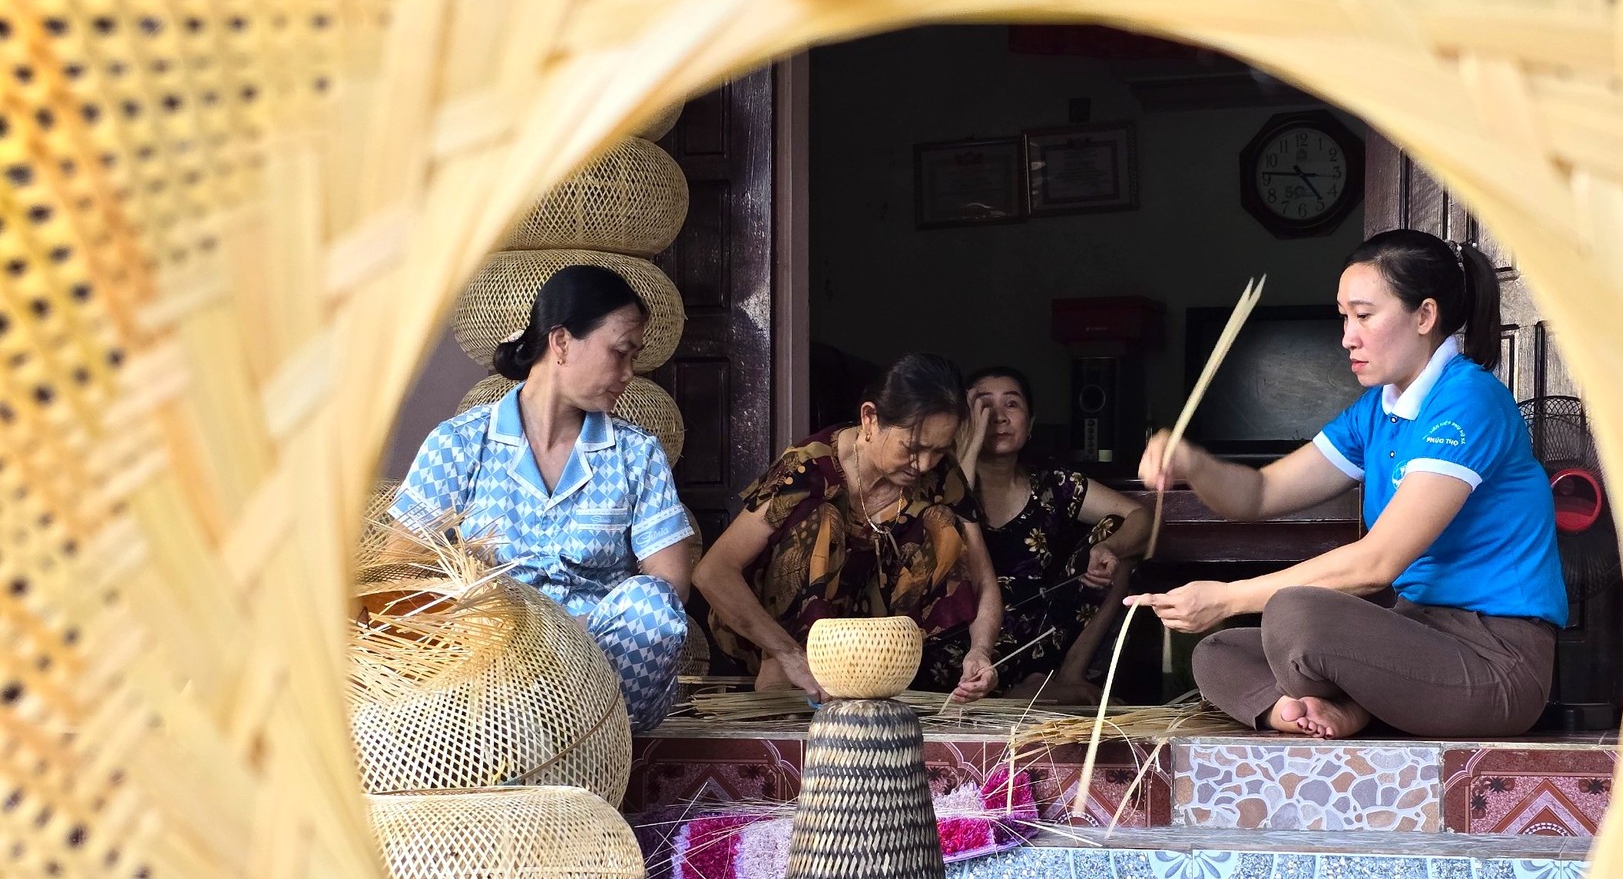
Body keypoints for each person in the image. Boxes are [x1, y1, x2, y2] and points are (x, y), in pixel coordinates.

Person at [1128, 230, 1565, 739]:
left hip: (1496, 662)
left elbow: (1377, 564)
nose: (1347, 337)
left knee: (1295, 614)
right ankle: (1316, 711)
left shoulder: (1468, 402)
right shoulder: (1376, 412)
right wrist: (1193, 465)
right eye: (1344, 316)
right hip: (1414, 633)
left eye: (1364, 315)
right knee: (1219, 652)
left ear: (1424, 316)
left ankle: (1353, 704)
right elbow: (1259, 494)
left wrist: (1227, 598)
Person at [392, 264, 695, 734]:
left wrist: (571, 653)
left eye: (633, 356)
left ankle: (585, 740)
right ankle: (523, 733)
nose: (629, 373)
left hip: (604, 677)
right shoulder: (459, 445)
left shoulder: (635, 454)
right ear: (561, 342)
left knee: (652, 607)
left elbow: (671, 579)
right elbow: (400, 568)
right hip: (493, 667)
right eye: (619, 352)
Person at [695, 353, 1002, 702]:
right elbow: (712, 571)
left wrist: (980, 651)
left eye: (940, 450)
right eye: (914, 448)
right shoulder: (807, 467)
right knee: (822, 518)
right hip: (782, 640)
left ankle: (884, 675)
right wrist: (787, 654)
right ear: (869, 419)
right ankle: (782, 679)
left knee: (941, 525)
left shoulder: (939, 475)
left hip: (873, 644)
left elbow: (983, 579)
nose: (926, 463)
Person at [962, 366, 1149, 704]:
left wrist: (1109, 546)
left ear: (1031, 423)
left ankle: (1067, 676)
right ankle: (1006, 691)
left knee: (1121, 544)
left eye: (1012, 404)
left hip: (1039, 633)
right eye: (984, 407)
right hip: (966, 637)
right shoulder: (942, 482)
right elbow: (951, 511)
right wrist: (968, 447)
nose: (999, 417)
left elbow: (1140, 516)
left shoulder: (1052, 483)